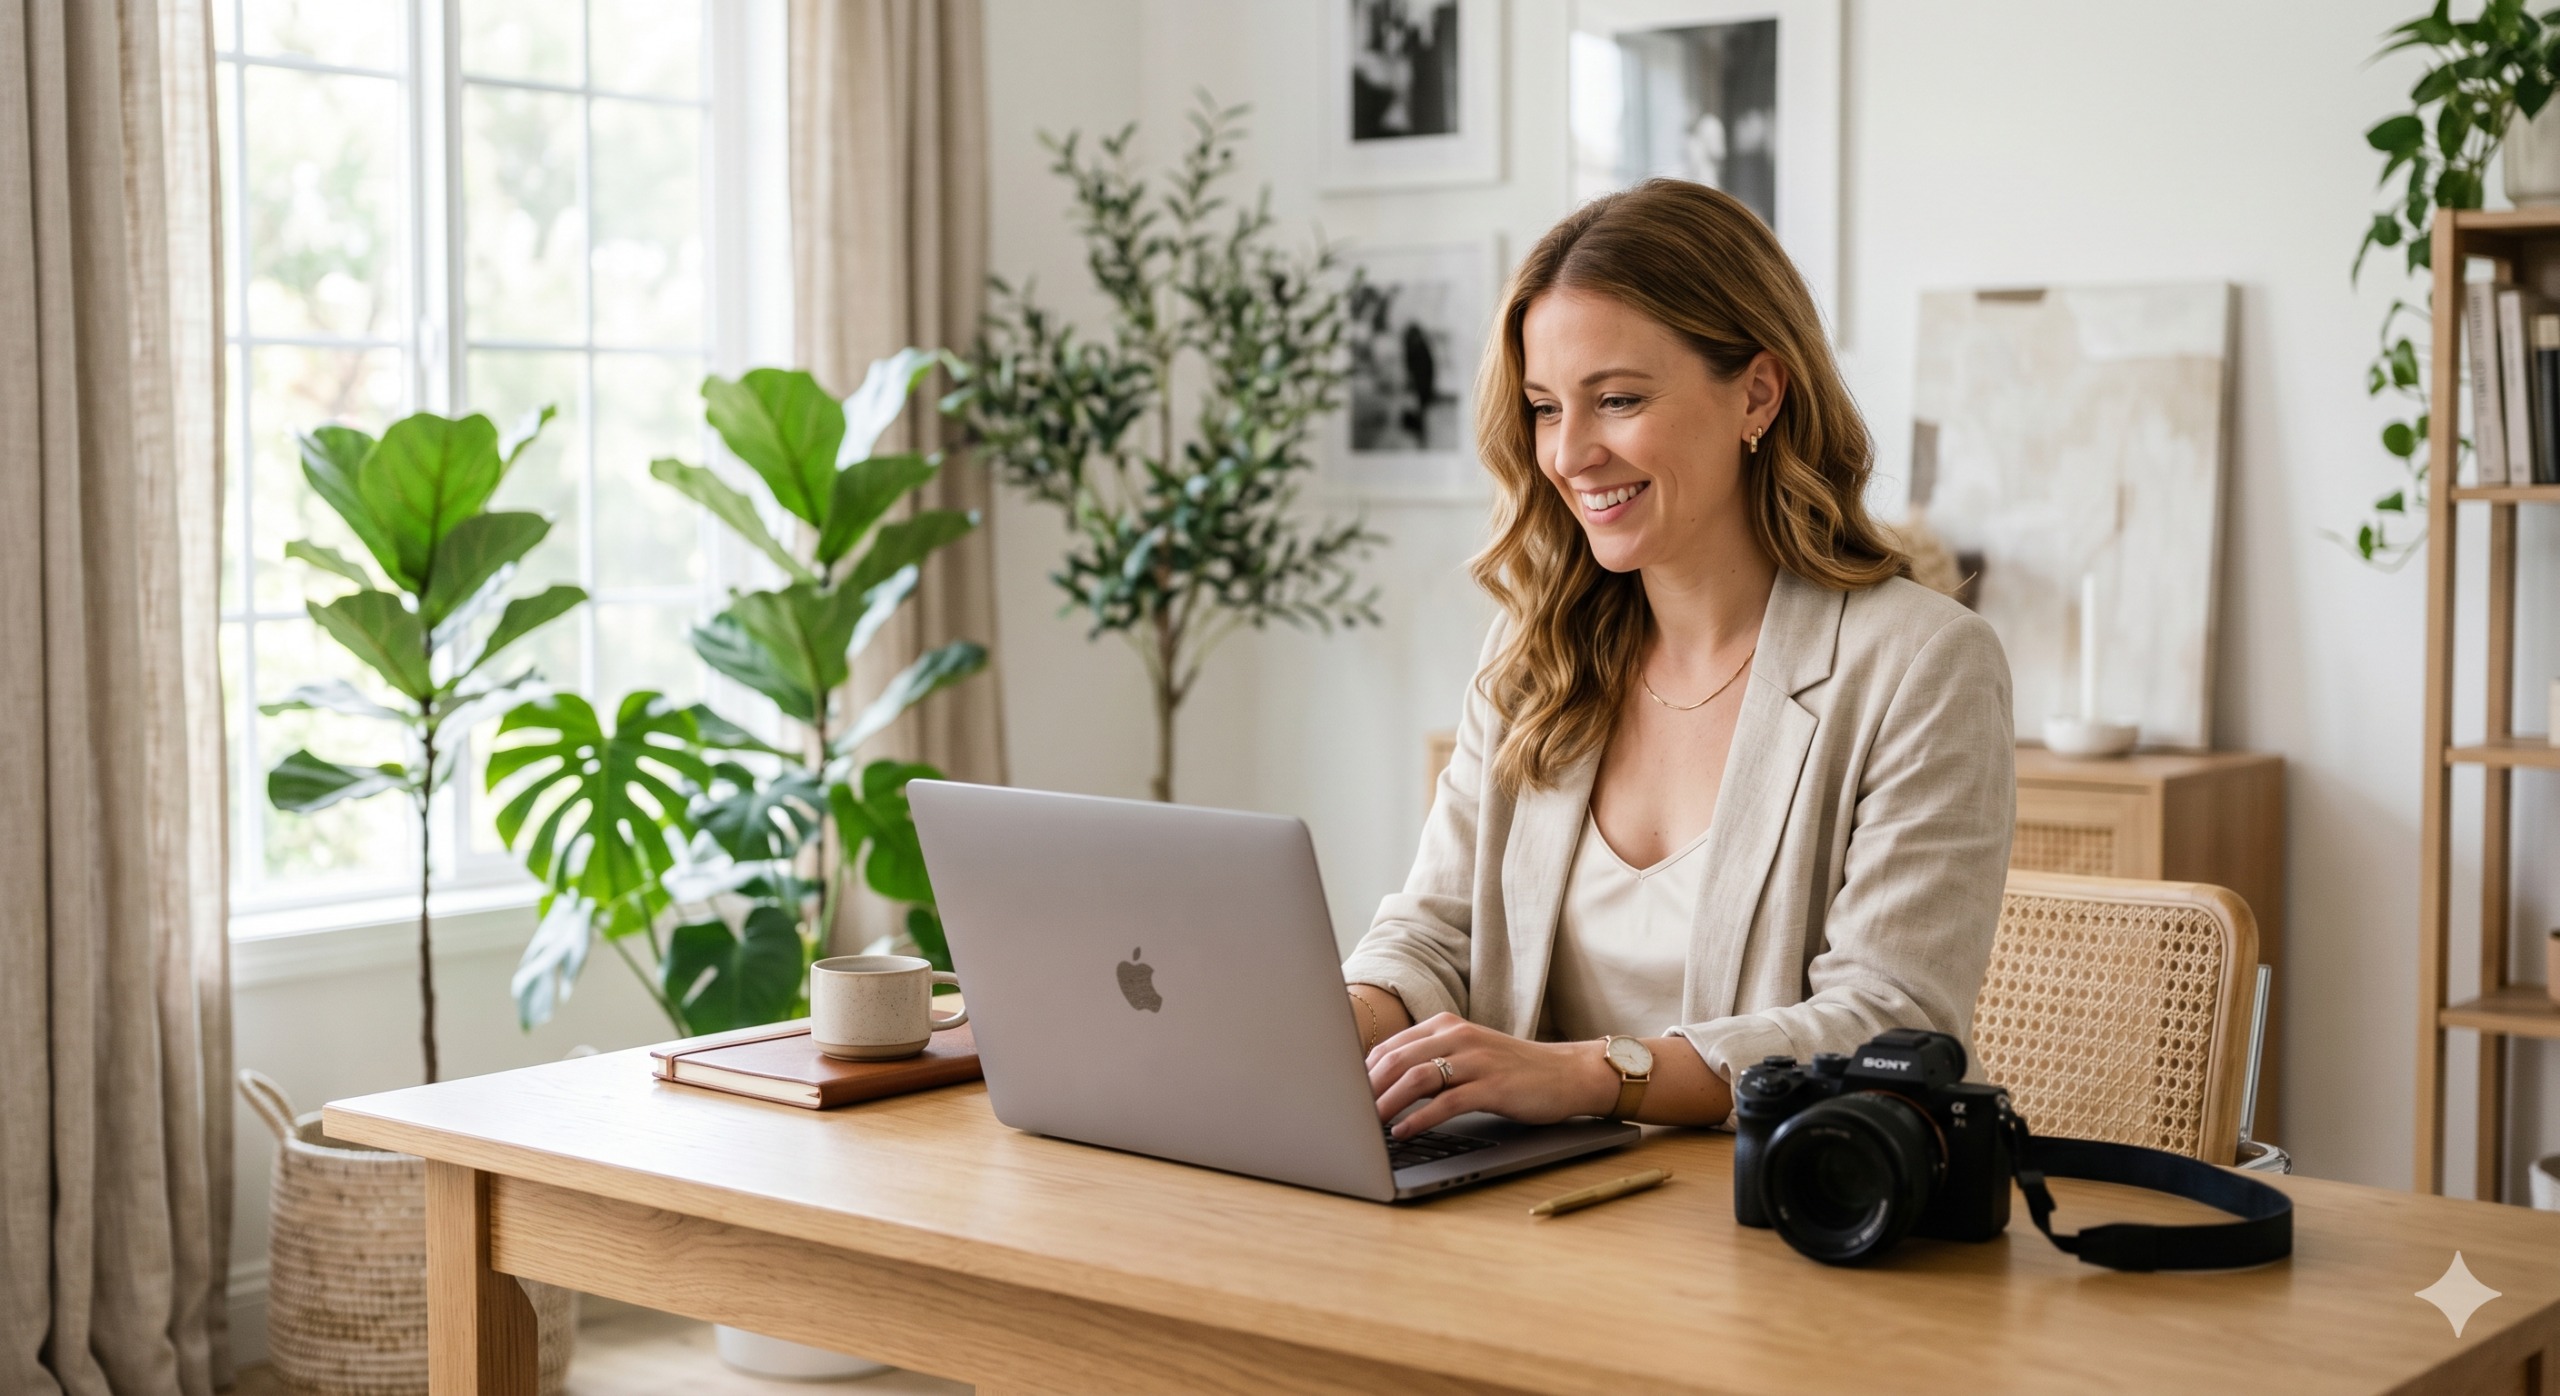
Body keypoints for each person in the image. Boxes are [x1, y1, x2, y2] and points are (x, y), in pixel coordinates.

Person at [1342, 179, 2014, 1138]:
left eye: (1616, 400)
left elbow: (1888, 1020)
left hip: (1783, 1218)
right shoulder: (1535, 651)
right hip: (1535, 1217)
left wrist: (1589, 1075)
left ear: (1758, 393)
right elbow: (1438, 928)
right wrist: (1344, 1021)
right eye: (1543, 408)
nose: (1570, 454)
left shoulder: (1924, 663)